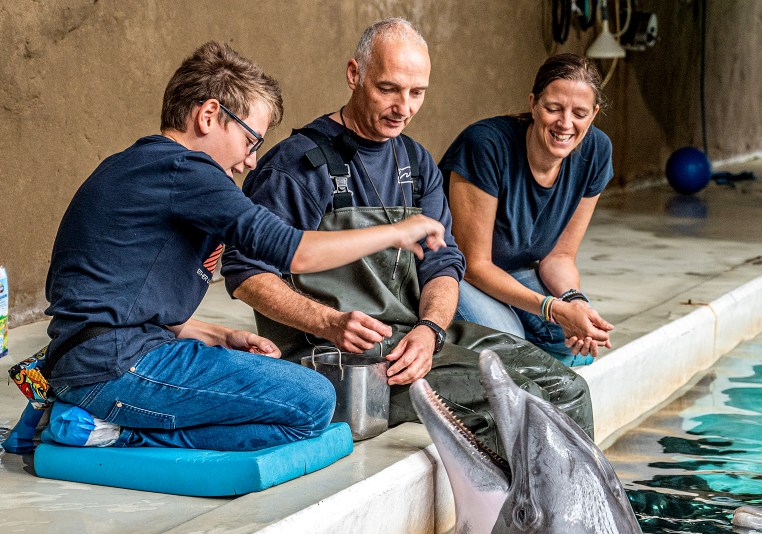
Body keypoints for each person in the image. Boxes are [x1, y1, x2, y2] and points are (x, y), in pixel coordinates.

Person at [43, 41, 445, 451]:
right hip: (114, 368)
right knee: (314, 401)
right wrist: (397, 232)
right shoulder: (186, 169)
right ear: (209, 115)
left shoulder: (138, 164)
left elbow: (120, 303)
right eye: (251, 140)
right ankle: (115, 430)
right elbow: (295, 251)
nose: (251, 161)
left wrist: (217, 335)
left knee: (285, 388)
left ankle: (98, 416)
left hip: (90, 359)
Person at [221, 18, 594, 452]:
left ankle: (572, 518)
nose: (404, 107)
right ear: (353, 74)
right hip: (341, 357)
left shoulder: (416, 163)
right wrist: (329, 322)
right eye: (389, 89)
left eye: (417, 93)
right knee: (514, 404)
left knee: (567, 387)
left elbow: (443, 263)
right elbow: (245, 274)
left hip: (414, 337)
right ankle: (520, 515)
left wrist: (431, 328)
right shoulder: (299, 166)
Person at [439, 54, 615, 367]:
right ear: (533, 103)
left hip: (514, 268)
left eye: (580, 113)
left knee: (576, 345)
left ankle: (497, 351)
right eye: (553, 108)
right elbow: (474, 263)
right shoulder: (485, 145)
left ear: (594, 115)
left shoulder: (597, 152)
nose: (565, 123)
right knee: (511, 347)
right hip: (456, 271)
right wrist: (552, 308)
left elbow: (560, 257)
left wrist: (575, 302)